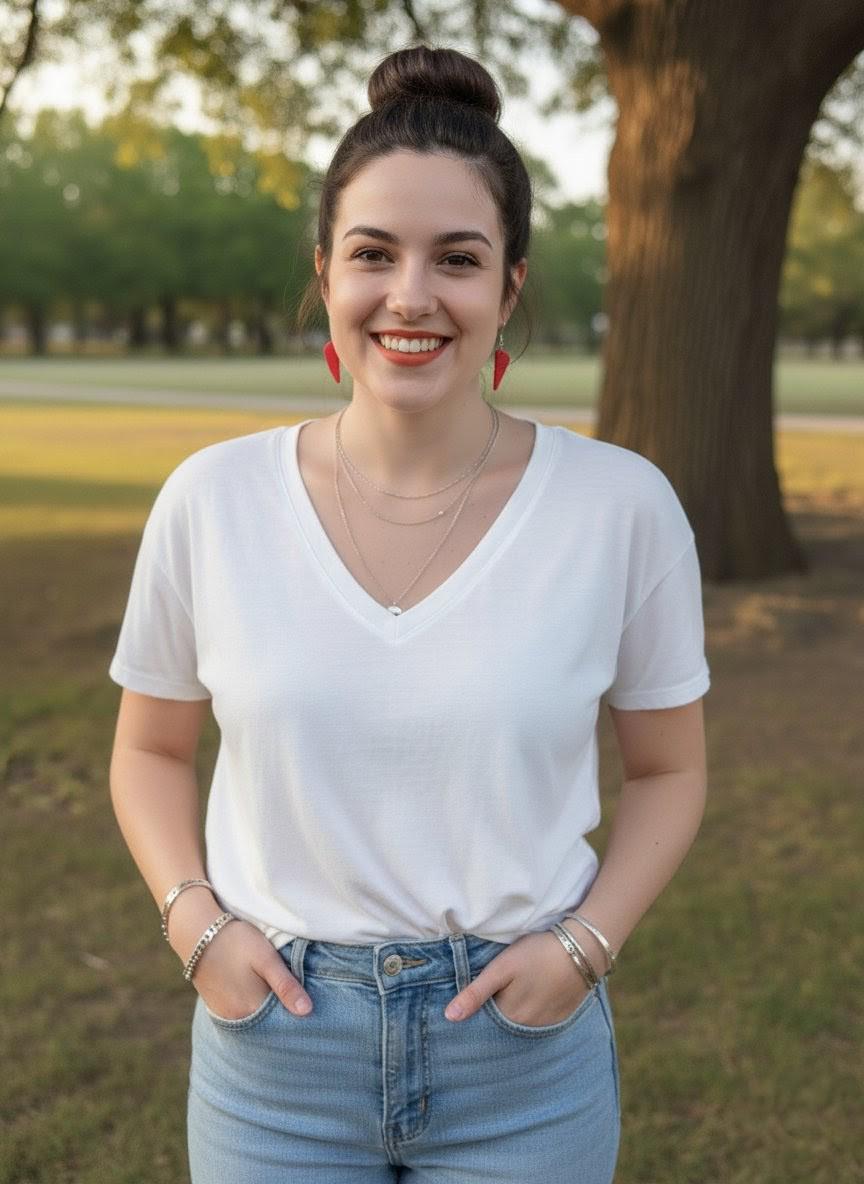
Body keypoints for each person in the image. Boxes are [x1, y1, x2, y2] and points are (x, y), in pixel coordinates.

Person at [107, 44, 710, 1184]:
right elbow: (149, 749)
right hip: (272, 1056)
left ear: (510, 288)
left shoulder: (621, 506)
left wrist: (584, 948)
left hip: (524, 1058)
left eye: (458, 258)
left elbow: (671, 770)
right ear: (325, 271)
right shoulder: (211, 499)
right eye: (374, 252)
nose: (412, 295)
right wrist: (196, 927)